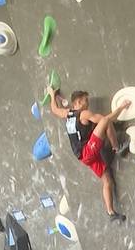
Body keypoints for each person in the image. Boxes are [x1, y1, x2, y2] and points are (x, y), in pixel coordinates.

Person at [47, 86, 129, 222]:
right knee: (105, 122)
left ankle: (110, 212)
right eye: (85, 100)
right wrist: (121, 107)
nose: (88, 103)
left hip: (84, 157)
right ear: (77, 103)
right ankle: (117, 147)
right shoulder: (83, 113)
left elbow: (55, 109)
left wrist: (52, 94)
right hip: (88, 151)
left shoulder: (67, 114)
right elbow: (104, 120)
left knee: (107, 180)